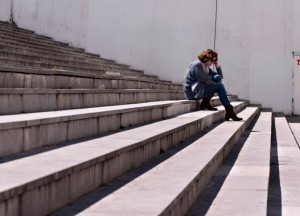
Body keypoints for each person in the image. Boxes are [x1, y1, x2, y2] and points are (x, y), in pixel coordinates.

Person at [183, 49, 242, 121]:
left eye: (214, 61)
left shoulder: (205, 66)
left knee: (217, 79)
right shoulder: (197, 64)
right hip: (193, 93)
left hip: (199, 89)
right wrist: (215, 83)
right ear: (206, 58)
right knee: (219, 86)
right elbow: (205, 79)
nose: (212, 63)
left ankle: (205, 103)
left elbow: (220, 77)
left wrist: (217, 65)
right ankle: (229, 111)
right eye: (212, 60)